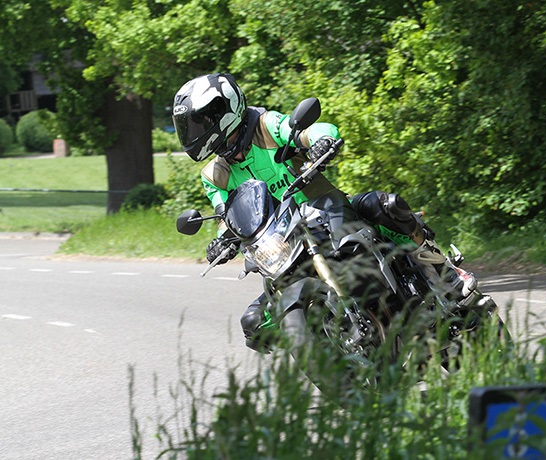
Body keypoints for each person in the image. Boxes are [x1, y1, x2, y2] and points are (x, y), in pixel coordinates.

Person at [172, 73, 454, 353]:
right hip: (281, 243)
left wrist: (323, 141)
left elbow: (311, 131)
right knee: (255, 324)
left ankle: (445, 274)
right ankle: (331, 352)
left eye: (199, 122)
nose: (195, 132)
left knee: (382, 206)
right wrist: (223, 240)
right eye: (190, 126)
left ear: (223, 110)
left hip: (322, 214)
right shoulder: (214, 175)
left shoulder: (265, 126)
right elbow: (226, 218)